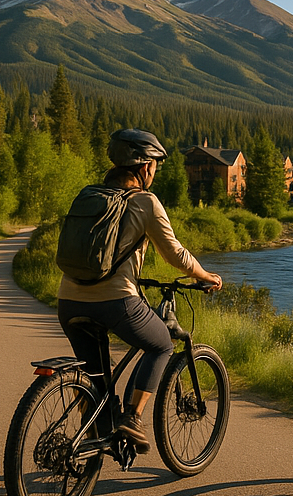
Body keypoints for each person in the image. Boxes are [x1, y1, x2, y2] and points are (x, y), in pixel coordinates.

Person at [57, 128, 222, 453]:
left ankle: (89, 442)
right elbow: (175, 254)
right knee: (161, 344)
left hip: (68, 300)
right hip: (114, 301)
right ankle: (132, 418)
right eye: (155, 165)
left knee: (96, 379)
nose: (155, 172)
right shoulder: (145, 202)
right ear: (144, 166)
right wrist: (206, 275)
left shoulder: (90, 194)